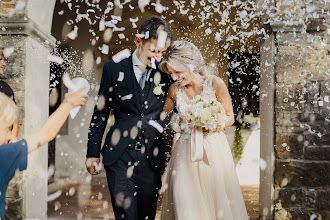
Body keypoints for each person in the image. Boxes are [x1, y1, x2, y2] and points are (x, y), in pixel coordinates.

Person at [86, 15, 173, 220]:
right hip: (119, 156)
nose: (157, 57)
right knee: (125, 215)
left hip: (152, 158)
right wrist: (92, 152)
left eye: (161, 52)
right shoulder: (113, 69)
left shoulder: (166, 75)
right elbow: (100, 113)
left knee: (146, 215)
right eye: (153, 50)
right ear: (138, 41)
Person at [159, 40, 249, 220]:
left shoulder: (215, 83)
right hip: (185, 153)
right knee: (184, 200)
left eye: (177, 71)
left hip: (213, 151)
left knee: (217, 203)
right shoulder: (174, 90)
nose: (174, 77)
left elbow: (229, 117)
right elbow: (159, 116)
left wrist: (213, 125)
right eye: (171, 73)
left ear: (189, 64)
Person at [0, 88, 87, 220]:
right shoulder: (4, 156)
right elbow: (45, 134)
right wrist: (68, 104)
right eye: (7, 128)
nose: (9, 134)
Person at [0, 50, 19, 142]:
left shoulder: (5, 88)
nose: (4, 64)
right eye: (0, 60)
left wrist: (13, 137)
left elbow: (14, 115)